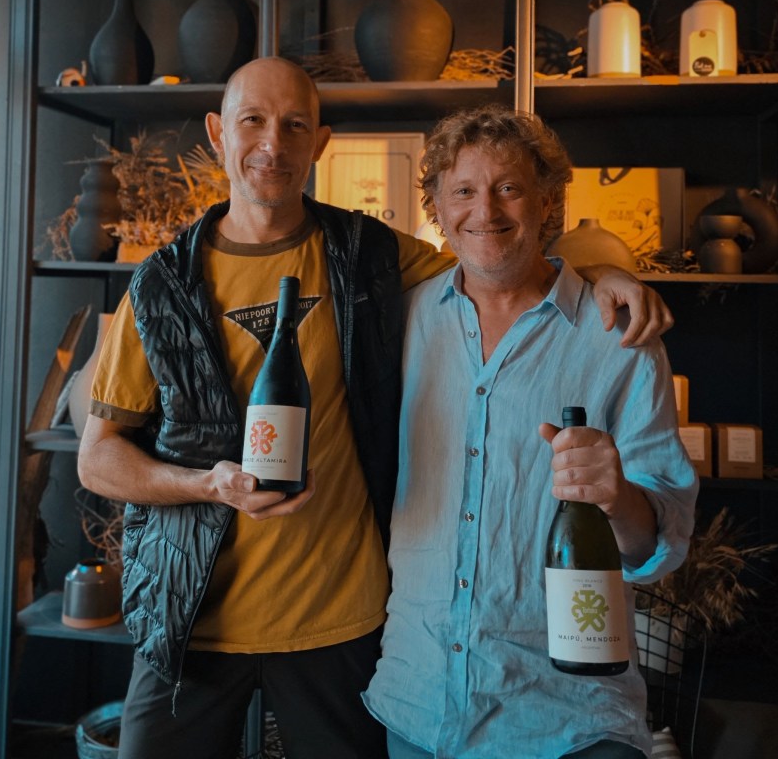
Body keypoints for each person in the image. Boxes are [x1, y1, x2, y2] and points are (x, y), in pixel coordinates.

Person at [76, 57, 673, 759]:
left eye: (295, 125)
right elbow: (98, 457)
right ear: (216, 132)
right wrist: (205, 484)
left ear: (320, 142)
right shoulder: (161, 284)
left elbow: (494, 256)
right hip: (189, 617)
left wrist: (603, 273)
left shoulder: (370, 257)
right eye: (253, 121)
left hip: (341, 625)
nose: (273, 144)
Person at [361, 104, 699, 759]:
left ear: (548, 201)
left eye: (509, 187)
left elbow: (661, 545)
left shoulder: (618, 337)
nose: (484, 210)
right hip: (417, 705)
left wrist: (617, 497)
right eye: (463, 190)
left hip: (567, 720)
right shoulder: (398, 323)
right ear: (437, 207)